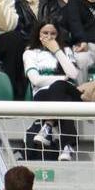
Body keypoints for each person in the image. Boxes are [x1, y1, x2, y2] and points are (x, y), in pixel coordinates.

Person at [24, 20, 84, 161]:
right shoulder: (30, 53)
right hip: (43, 95)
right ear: (38, 34)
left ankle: (48, 125)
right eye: (45, 33)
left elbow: (74, 75)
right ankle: (67, 146)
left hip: (69, 90)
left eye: (53, 34)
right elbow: (35, 80)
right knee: (61, 93)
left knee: (59, 87)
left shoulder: (66, 51)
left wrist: (57, 51)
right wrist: (63, 78)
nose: (49, 37)